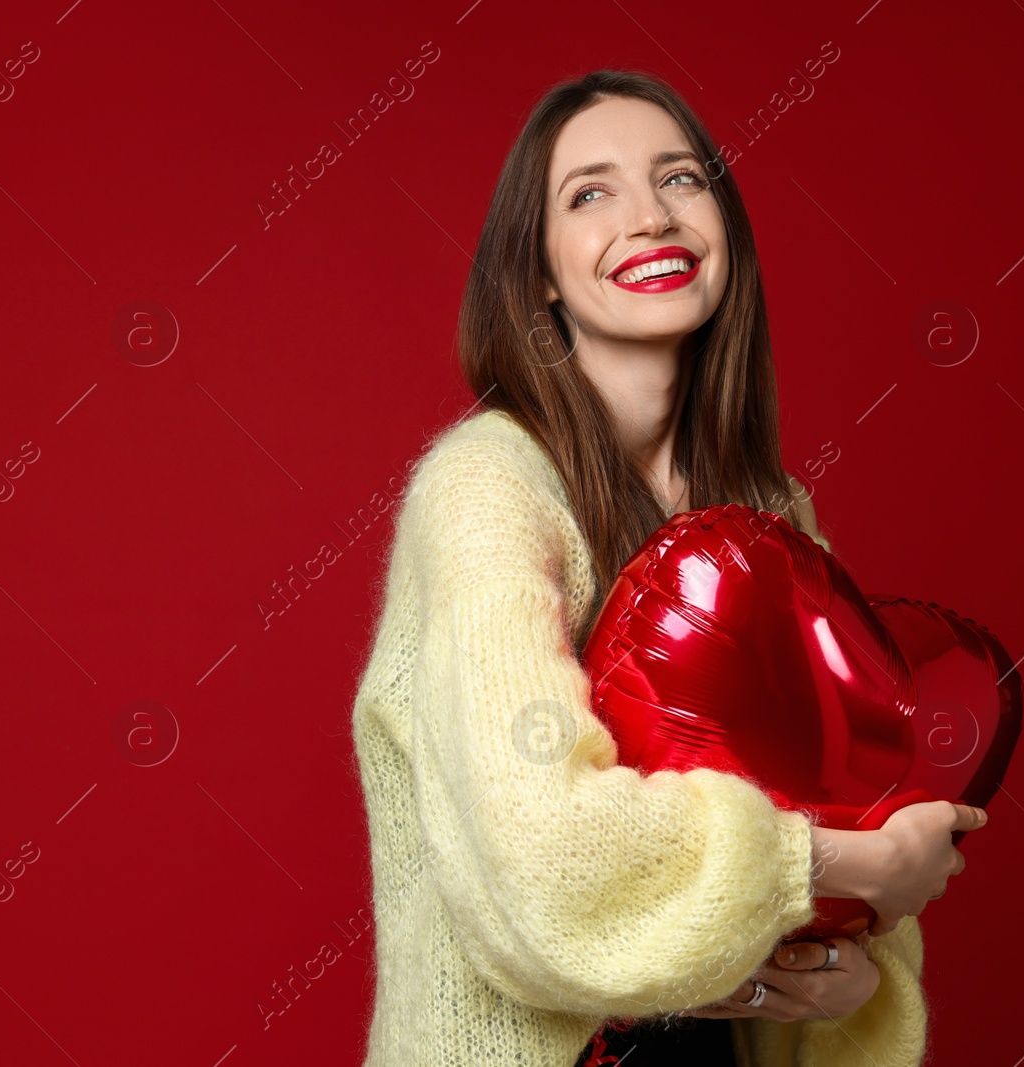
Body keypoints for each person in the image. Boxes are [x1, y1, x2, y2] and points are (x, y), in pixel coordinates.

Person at [348, 69, 987, 1067]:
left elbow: (844, 797)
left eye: (680, 179)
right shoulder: (484, 490)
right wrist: (846, 861)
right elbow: (544, 858)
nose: (650, 216)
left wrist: (854, 979)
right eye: (590, 192)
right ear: (541, 271)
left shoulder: (772, 511)